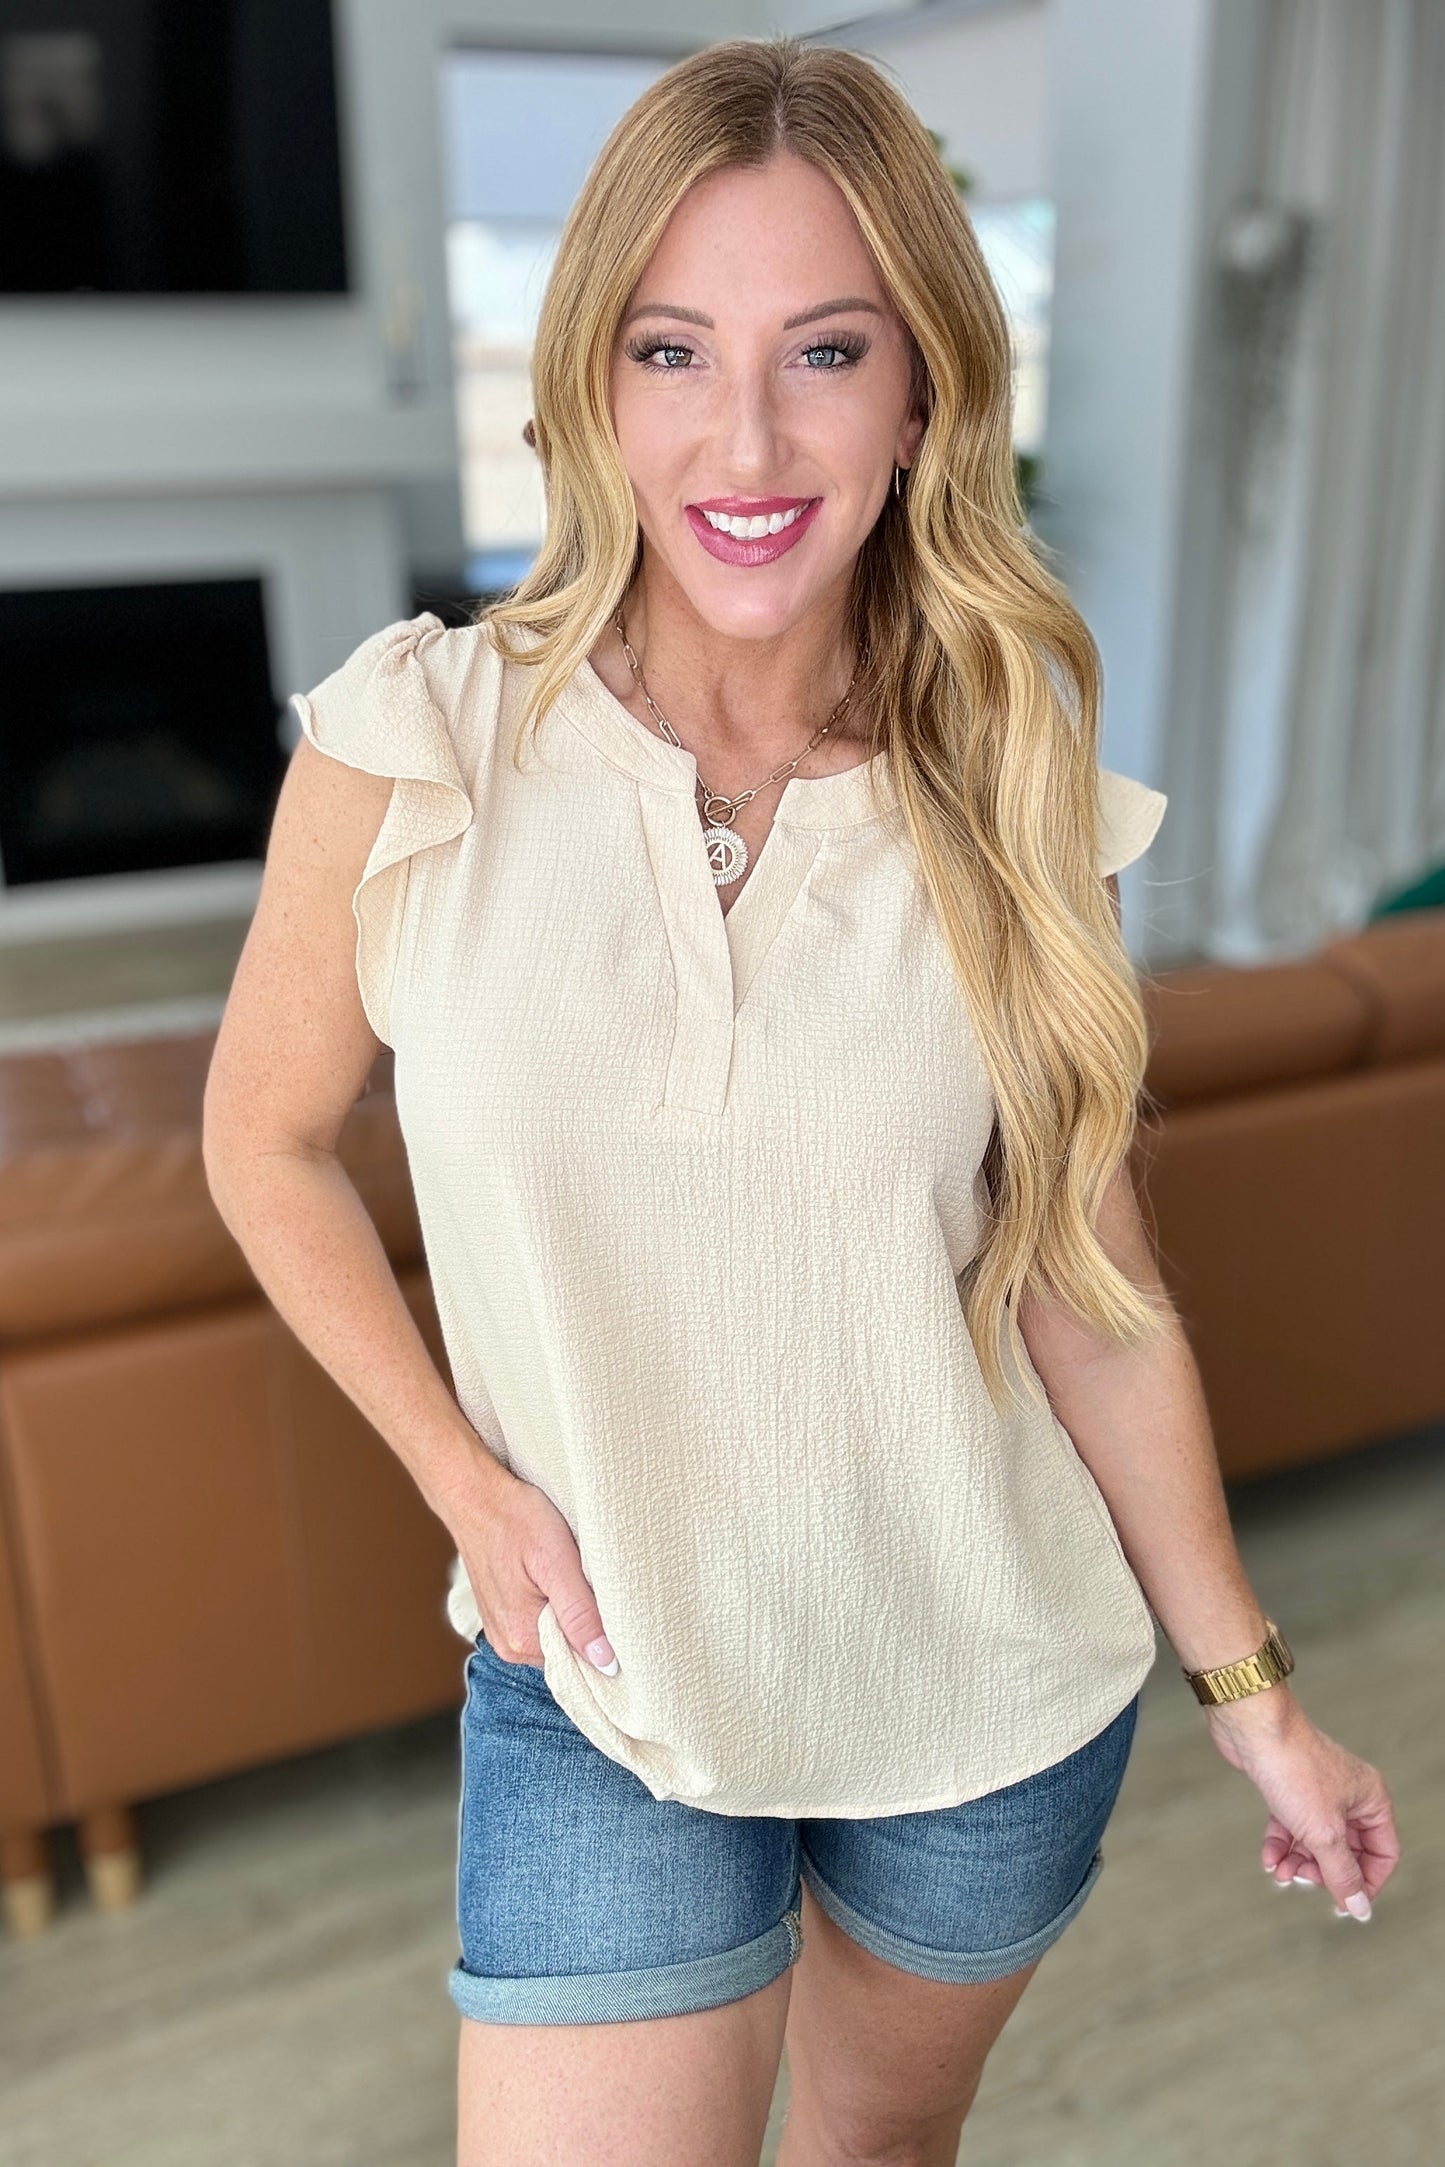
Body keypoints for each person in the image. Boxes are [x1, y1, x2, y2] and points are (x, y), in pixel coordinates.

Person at [203, 37, 1401, 2167]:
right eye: (671, 350)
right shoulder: (416, 744)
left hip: (980, 1697)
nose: (743, 439)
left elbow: (1086, 1283)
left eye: (825, 352)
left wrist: (1256, 1698)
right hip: (602, 1686)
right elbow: (262, 1140)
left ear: (921, 393)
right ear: (590, 386)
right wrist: (466, 1486)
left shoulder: (1011, 788)